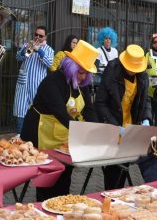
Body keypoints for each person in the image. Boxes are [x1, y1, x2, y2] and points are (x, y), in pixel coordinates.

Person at [21, 40, 99, 200]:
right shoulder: (53, 81)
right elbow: (60, 112)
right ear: (71, 66)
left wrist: (96, 131)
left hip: (64, 134)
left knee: (65, 173)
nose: (83, 76)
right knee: (47, 177)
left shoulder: (81, 83)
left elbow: (89, 109)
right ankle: (43, 206)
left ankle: (61, 204)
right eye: (80, 72)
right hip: (40, 131)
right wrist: (81, 133)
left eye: (86, 73)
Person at [95, 44, 152, 189]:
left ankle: (118, 196)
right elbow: (100, 103)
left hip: (130, 126)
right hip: (112, 123)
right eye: (131, 68)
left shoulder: (142, 76)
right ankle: (110, 197)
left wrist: (146, 119)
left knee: (124, 166)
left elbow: (145, 100)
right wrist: (116, 127)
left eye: (136, 69)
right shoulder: (112, 71)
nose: (133, 71)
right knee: (113, 169)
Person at [13, 26, 54, 135]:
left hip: (38, 84)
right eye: (36, 34)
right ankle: (18, 136)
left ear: (45, 37)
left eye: (40, 36)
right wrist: (24, 51)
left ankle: (32, 136)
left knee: (35, 110)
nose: (37, 37)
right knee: (21, 110)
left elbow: (49, 63)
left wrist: (39, 50)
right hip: (23, 83)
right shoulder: (28, 45)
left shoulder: (49, 50)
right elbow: (18, 58)